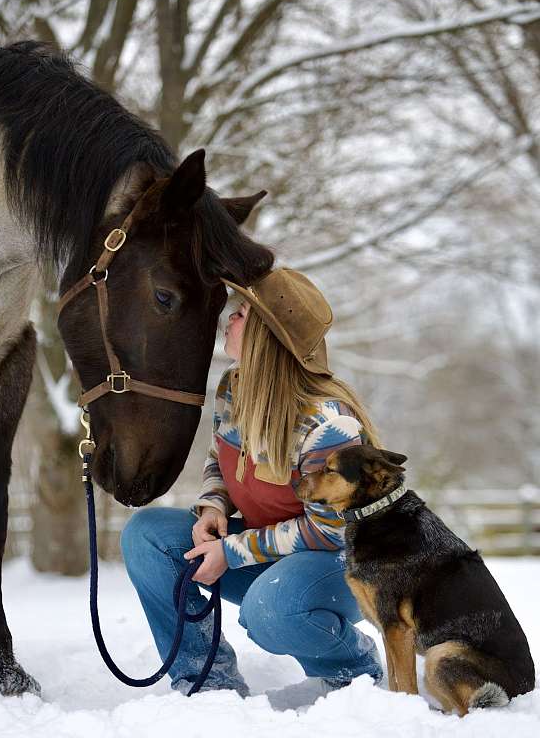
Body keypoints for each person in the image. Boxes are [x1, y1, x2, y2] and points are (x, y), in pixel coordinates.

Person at [120, 268, 384, 697]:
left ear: (267, 334)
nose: (230, 318)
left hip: (342, 564)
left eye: (242, 313)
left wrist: (231, 551)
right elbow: (219, 459)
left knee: (272, 609)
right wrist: (213, 507)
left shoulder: (327, 424)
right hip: (271, 551)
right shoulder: (233, 388)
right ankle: (207, 679)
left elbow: (330, 529)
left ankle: (351, 669)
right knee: (148, 535)